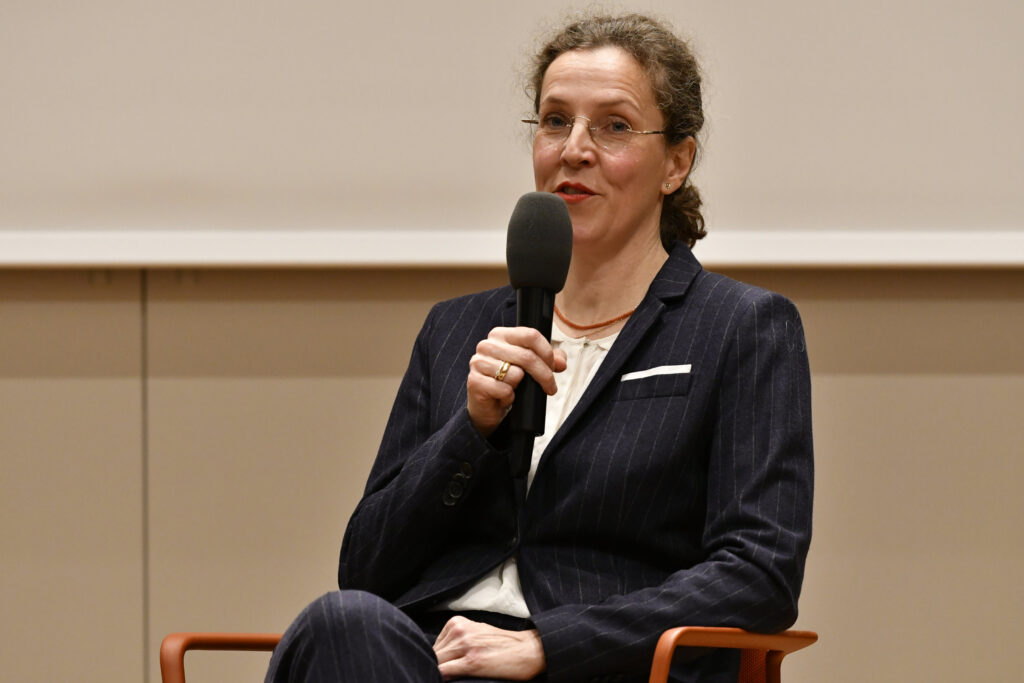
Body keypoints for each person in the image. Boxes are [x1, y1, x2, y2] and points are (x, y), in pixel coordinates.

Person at [266, 12, 812, 683]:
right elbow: (366, 567)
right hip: (424, 662)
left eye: (612, 126)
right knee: (340, 623)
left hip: (595, 666)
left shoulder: (742, 327)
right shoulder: (455, 330)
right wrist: (471, 431)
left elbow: (758, 574)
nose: (573, 150)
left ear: (676, 162)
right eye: (555, 121)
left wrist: (547, 643)